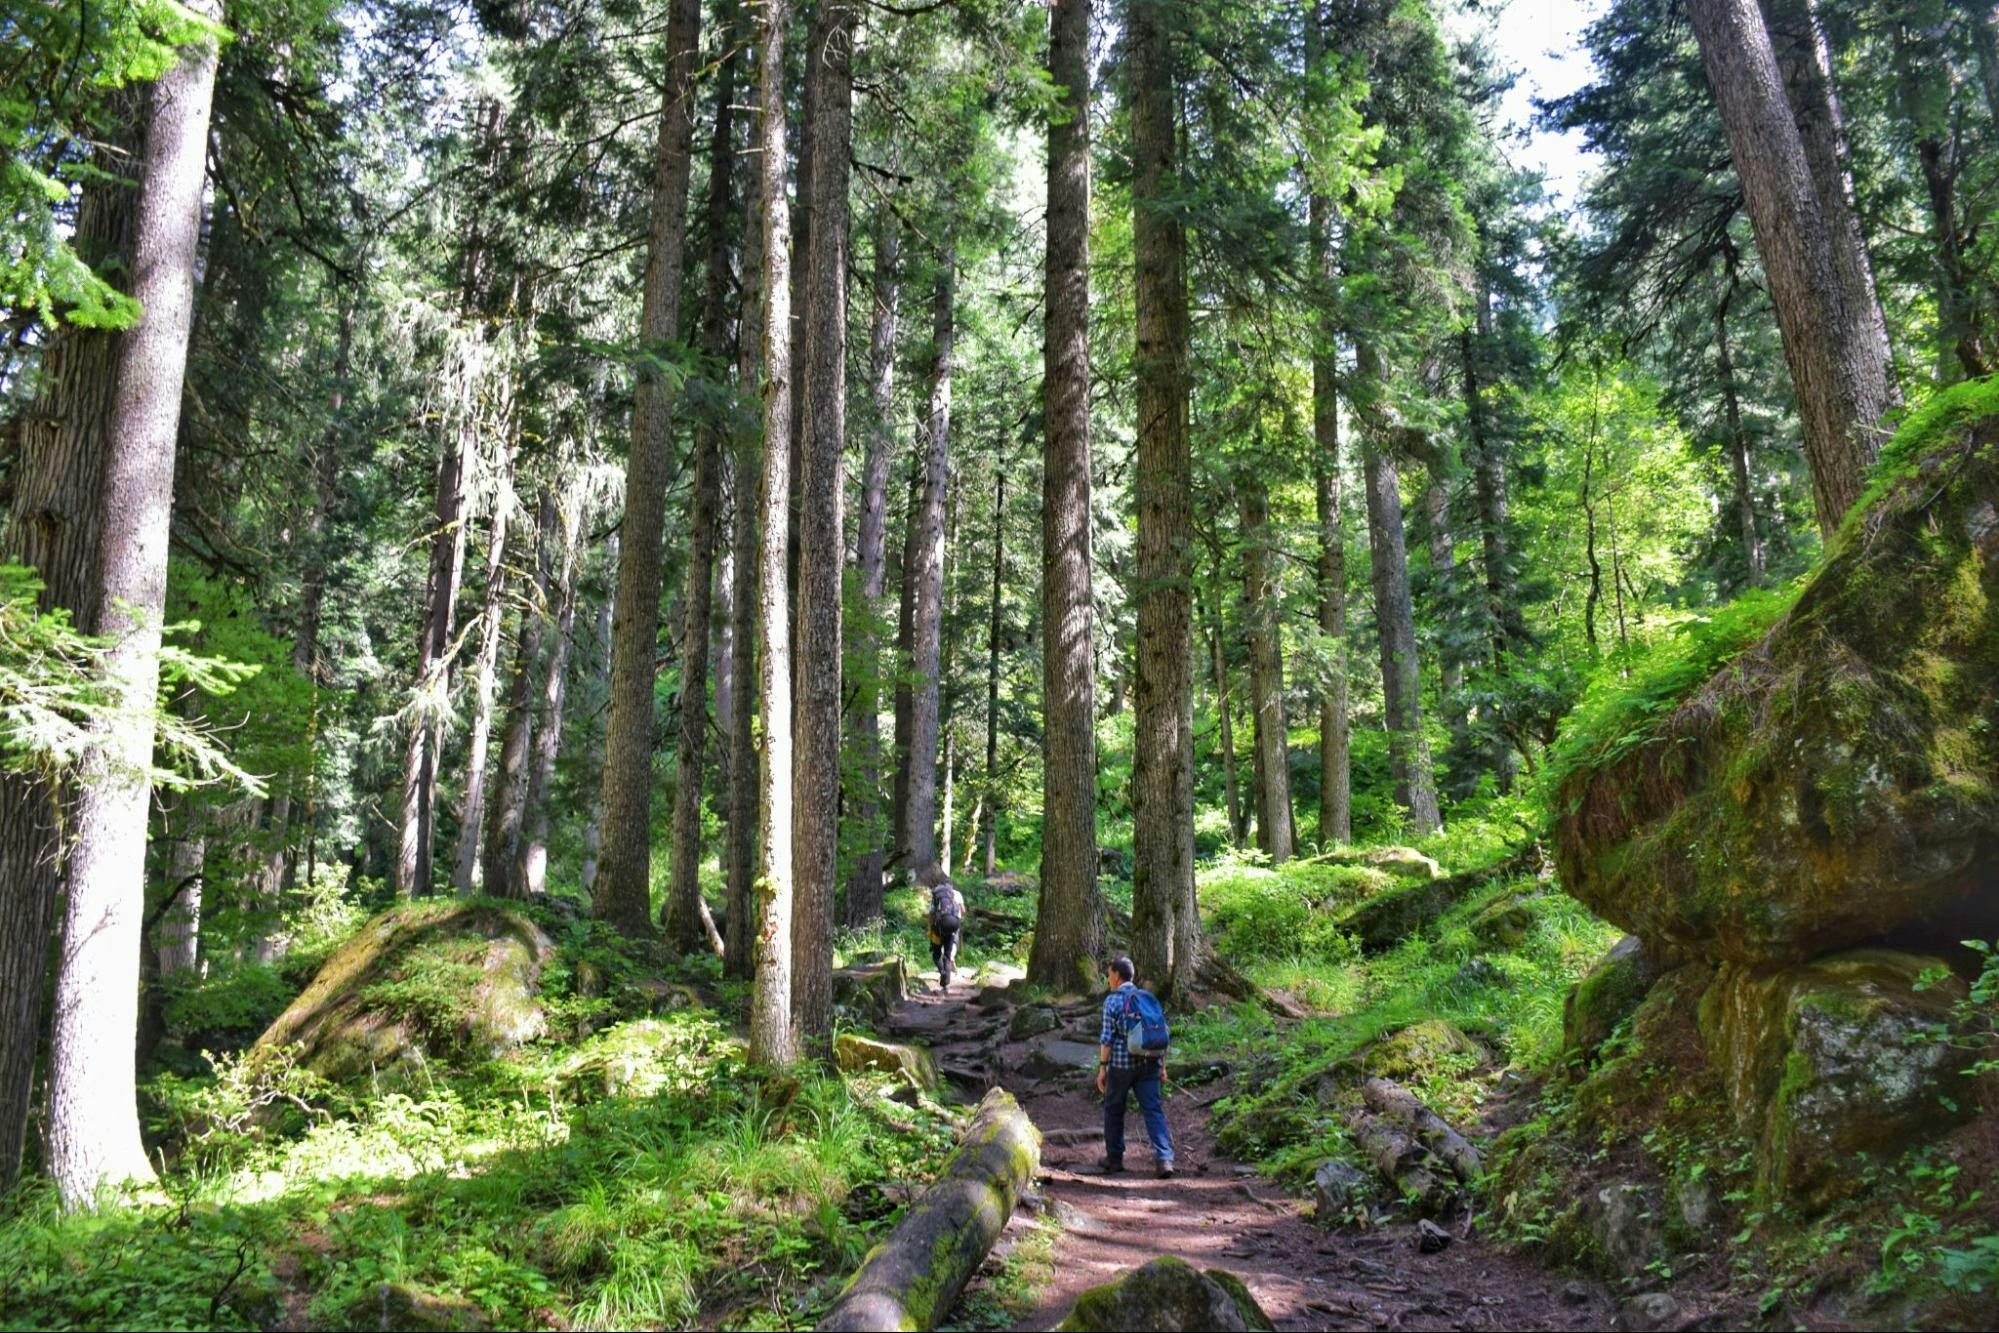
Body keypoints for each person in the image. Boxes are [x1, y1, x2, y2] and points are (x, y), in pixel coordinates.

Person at [1095, 955, 1175, 1177]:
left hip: (1121, 1065)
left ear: (1118, 976)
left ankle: (1114, 1158)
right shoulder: (1148, 998)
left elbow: (1107, 1038)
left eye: (1110, 974)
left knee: (1114, 1109)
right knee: (1153, 1110)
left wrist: (1102, 1067)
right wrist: (1162, 1066)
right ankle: (1164, 1159)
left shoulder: (1112, 1000)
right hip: (1150, 1063)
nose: (1108, 978)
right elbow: (1161, 1033)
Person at [927, 880, 966, 989]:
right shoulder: (956, 894)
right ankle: (946, 983)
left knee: (936, 954)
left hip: (939, 927)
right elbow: (963, 910)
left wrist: (931, 927)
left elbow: (931, 913)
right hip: (954, 925)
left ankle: (942, 972)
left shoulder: (937, 894)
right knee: (948, 956)